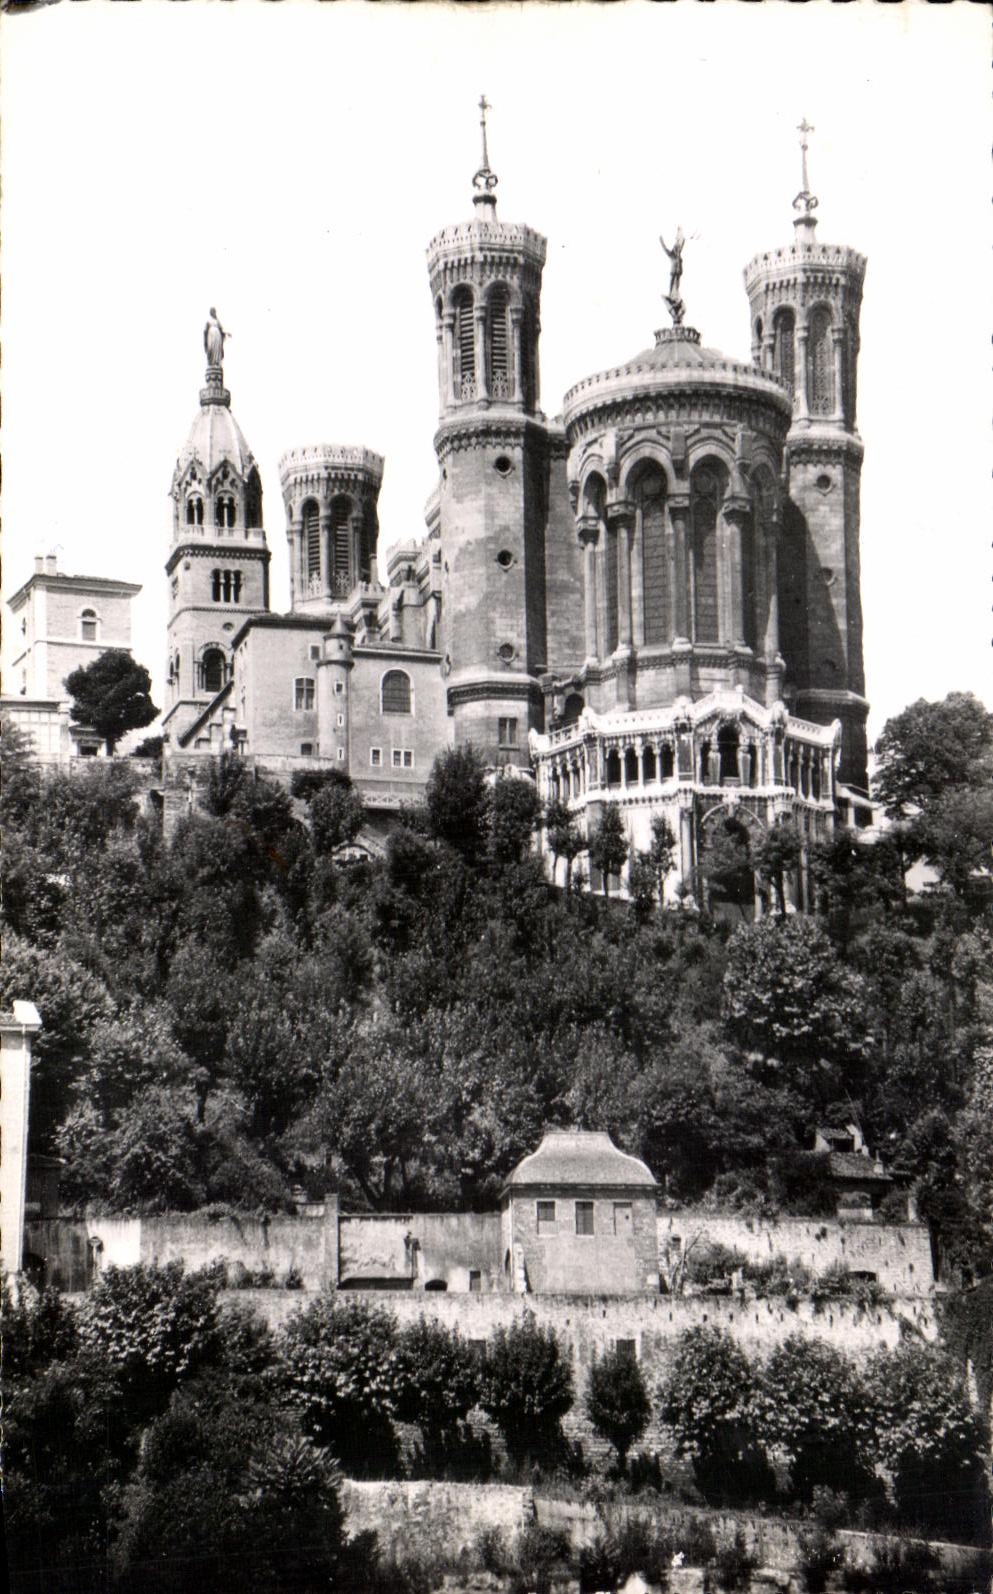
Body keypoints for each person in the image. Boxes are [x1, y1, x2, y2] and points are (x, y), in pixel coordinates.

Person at [659, 228, 685, 299]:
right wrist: (661, 241)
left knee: (677, 283)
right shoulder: (671, 254)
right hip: (674, 271)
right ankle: (671, 294)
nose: (677, 249)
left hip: (679, 271)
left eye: (678, 249)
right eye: (676, 249)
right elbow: (665, 249)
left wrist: (681, 235)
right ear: (674, 249)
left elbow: (682, 243)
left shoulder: (678, 254)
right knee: (672, 282)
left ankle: (676, 294)